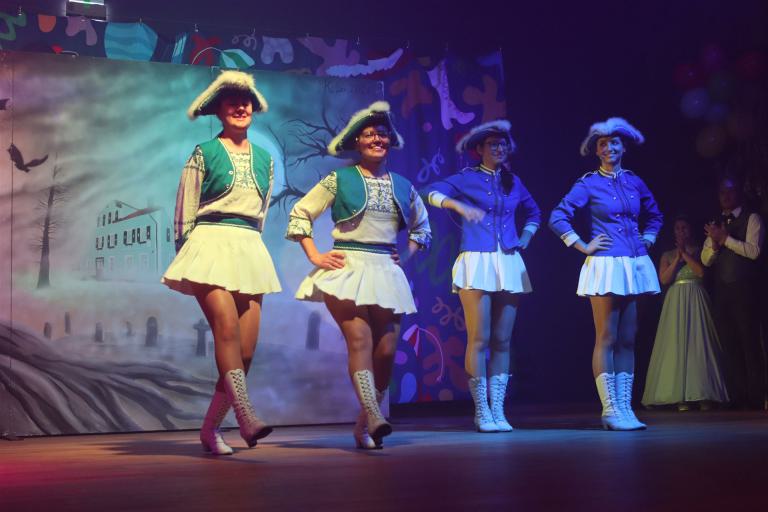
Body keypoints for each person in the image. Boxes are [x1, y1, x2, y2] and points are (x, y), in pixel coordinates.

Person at [285, 101, 430, 449]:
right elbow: (301, 213)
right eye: (369, 135)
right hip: (347, 268)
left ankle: (364, 424)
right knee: (360, 340)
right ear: (357, 142)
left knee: (387, 349)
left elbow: (422, 228)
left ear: (389, 141)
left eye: (382, 134)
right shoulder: (339, 179)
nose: (376, 139)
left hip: (384, 270)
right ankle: (376, 416)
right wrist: (315, 255)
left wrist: (405, 257)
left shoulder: (403, 186)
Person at [162, 71, 280, 455]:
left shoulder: (265, 159)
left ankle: (210, 428)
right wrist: (187, 252)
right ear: (219, 110)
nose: (240, 107)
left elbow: (262, 213)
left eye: (246, 101)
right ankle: (246, 416)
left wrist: (254, 248)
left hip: (248, 247)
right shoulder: (203, 153)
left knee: (246, 351)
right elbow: (185, 206)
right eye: (232, 101)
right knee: (226, 328)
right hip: (209, 243)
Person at [421, 120, 540, 432]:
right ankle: (481, 410)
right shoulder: (467, 177)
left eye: (503, 144)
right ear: (480, 149)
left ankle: (498, 409)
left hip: (508, 261)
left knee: (503, 340)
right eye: (493, 144)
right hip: (476, 260)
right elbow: (427, 191)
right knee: (480, 337)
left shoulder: (514, 181)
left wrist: (526, 236)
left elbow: (534, 212)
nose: (499, 148)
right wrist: (456, 205)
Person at [549, 117, 662, 430]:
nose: (609, 147)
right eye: (603, 144)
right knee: (607, 337)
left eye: (614, 142)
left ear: (623, 147)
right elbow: (557, 216)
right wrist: (582, 245)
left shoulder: (635, 181)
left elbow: (655, 215)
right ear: (596, 151)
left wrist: (648, 238)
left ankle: (625, 408)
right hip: (607, 265)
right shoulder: (588, 183)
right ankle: (610, 409)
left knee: (628, 339)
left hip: (634, 263)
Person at [642, 215, 729, 410]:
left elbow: (700, 272)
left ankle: (703, 394)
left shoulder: (700, 250)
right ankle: (679, 396)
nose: (681, 231)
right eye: (678, 228)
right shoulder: (667, 255)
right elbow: (664, 279)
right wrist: (677, 257)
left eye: (685, 228)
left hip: (696, 297)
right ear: (673, 232)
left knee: (699, 343)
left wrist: (685, 254)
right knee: (676, 343)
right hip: (675, 300)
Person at [702, 175, 766, 409]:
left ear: (738, 193)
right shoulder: (716, 222)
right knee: (729, 343)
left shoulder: (752, 218)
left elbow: (754, 251)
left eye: (729, 191)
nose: (725, 196)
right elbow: (705, 260)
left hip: (745, 290)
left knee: (749, 342)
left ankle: (757, 395)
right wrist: (715, 245)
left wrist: (726, 239)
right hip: (722, 292)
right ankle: (738, 396)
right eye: (722, 192)